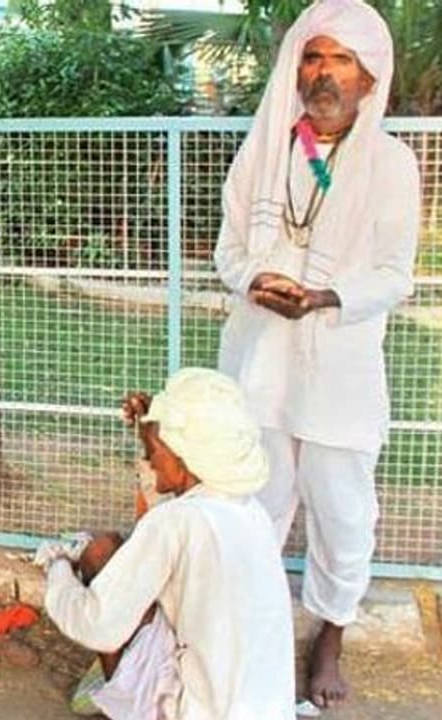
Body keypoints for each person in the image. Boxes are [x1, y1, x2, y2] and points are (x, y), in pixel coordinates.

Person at [212, 0, 420, 708]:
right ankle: (257, 626)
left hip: (339, 368)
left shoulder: (392, 164)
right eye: (313, 56)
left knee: (342, 508)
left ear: (369, 78)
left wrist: (325, 298)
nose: (324, 72)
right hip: (260, 357)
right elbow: (228, 250)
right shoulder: (264, 150)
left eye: (341, 60)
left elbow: (395, 274)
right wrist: (254, 280)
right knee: (256, 499)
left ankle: (330, 635)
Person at [37, 368, 294, 720]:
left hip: (202, 710)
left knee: (101, 554)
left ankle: (123, 701)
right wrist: (150, 429)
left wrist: (57, 569)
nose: (149, 459)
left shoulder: (175, 522)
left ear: (184, 455)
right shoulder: (249, 510)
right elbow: (166, 507)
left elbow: (96, 625)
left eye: (154, 450)